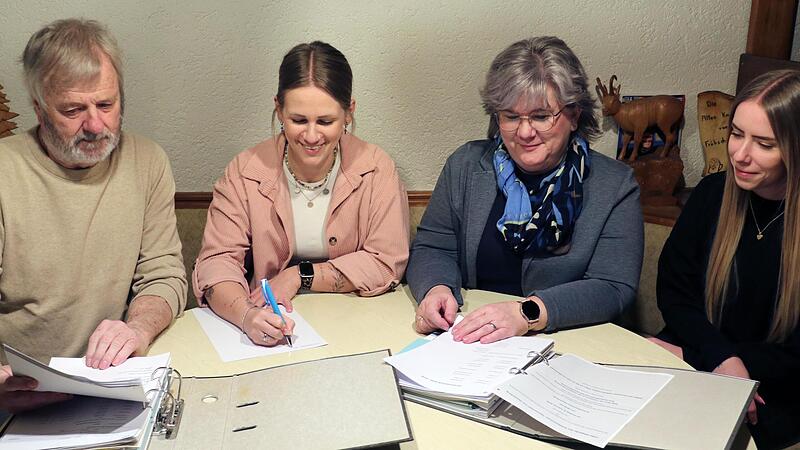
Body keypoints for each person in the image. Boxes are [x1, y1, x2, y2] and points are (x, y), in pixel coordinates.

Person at [0, 19, 187, 413]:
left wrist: (137, 330)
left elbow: (163, 274)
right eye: (73, 110)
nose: (95, 125)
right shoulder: (5, 171)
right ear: (39, 109)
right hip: (17, 400)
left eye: (106, 104)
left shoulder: (147, 161)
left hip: (111, 387)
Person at [407, 36, 643, 343]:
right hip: (473, 341)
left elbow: (613, 287)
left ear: (573, 116)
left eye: (541, 116)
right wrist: (436, 287)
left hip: (571, 341)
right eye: (511, 116)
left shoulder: (615, 185)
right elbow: (433, 247)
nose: (525, 131)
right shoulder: (465, 166)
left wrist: (527, 313)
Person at [193, 41, 409, 347]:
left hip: (358, 326)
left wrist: (299, 276)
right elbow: (217, 262)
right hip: (270, 325)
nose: (311, 136)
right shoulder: (244, 171)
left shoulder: (376, 168)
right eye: (298, 120)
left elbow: (386, 264)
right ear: (279, 109)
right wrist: (246, 316)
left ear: (349, 112)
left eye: (325, 121)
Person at [653, 70, 800, 450]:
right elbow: (674, 292)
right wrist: (717, 358)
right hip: (697, 357)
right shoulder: (712, 193)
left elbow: (795, 357)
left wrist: (707, 360)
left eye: (764, 144)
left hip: (773, 392)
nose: (740, 154)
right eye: (736, 134)